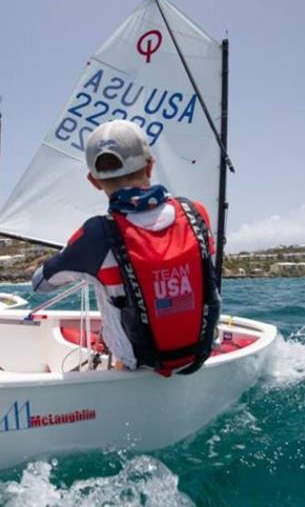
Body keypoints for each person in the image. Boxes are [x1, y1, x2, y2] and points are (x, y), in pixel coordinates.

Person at [32, 120, 220, 376]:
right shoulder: (197, 212)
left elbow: (40, 283)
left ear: (94, 181)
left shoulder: (95, 234)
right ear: (150, 166)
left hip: (137, 365)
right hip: (197, 355)